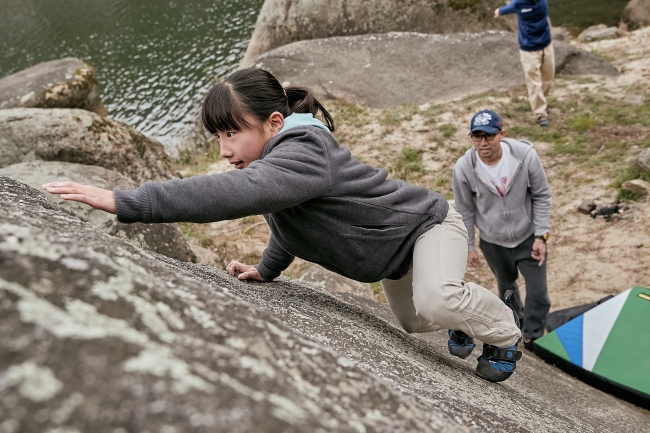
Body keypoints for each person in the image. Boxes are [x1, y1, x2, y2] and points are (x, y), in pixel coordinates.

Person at [43, 68, 522, 382]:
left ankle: (504, 333)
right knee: (418, 322)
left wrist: (130, 201)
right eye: (217, 137)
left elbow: (236, 195)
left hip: (428, 227)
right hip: (392, 258)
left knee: (439, 298)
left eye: (232, 132)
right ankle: (460, 320)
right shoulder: (278, 172)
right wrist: (265, 270)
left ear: (274, 122)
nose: (225, 148)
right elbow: (292, 226)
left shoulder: (306, 153)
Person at [452, 109, 552, 351]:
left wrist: (541, 235)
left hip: (528, 237)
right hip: (493, 242)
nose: (483, 143)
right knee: (506, 288)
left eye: (488, 136)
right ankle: (513, 328)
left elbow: (541, 195)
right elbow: (465, 210)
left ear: (501, 134)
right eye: (477, 137)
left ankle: (534, 337)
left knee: (539, 294)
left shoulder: (525, 155)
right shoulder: (464, 168)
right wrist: (469, 246)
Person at [495, 0, 554, 127]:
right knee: (534, 81)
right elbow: (503, 9)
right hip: (529, 50)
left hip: (546, 46)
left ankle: (540, 102)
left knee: (548, 78)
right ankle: (540, 113)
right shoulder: (518, 3)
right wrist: (499, 11)